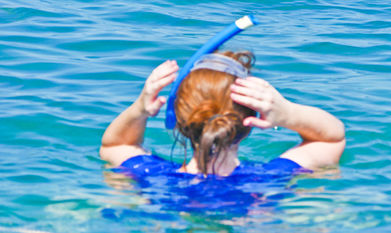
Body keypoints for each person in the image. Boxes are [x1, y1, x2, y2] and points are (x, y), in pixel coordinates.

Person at [100, 51, 345, 178]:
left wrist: (140, 108)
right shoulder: (270, 177)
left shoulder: (149, 174)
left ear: (178, 121)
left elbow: (115, 144)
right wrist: (287, 113)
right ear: (249, 122)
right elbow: (331, 138)